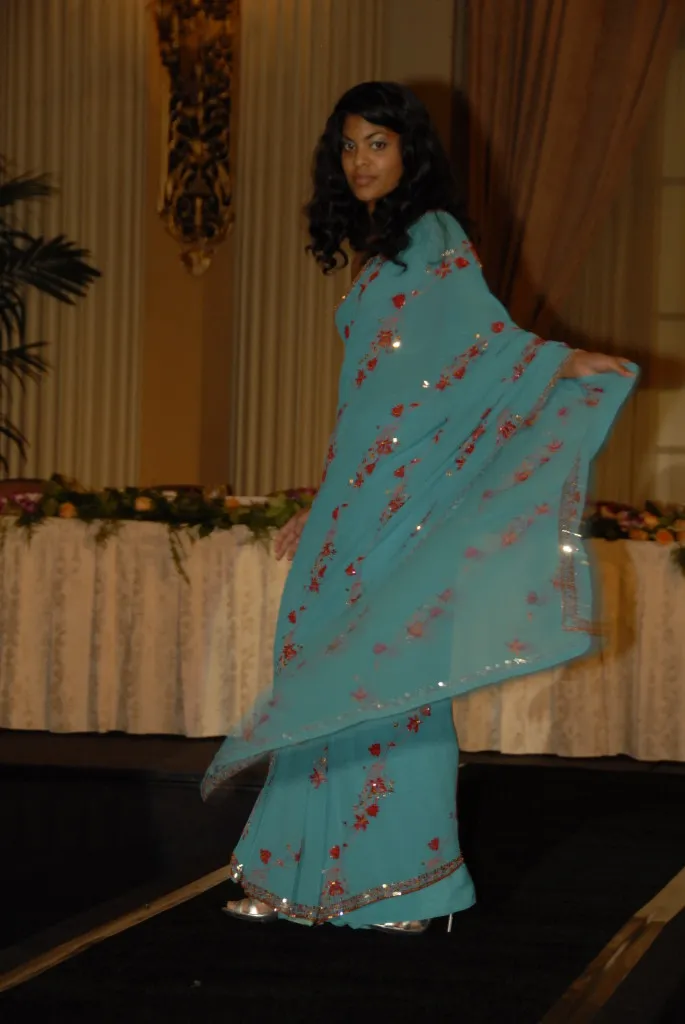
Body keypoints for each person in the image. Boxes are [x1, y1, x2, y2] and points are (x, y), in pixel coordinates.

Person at [203, 82, 637, 934]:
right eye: (349, 145)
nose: (360, 160)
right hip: (358, 497)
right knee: (319, 667)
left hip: (402, 497)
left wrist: (558, 362)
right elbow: (369, 402)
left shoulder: (434, 236)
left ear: (410, 152)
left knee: (393, 675)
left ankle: (408, 886)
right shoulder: (378, 253)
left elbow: (483, 341)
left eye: (377, 143)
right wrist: (324, 501)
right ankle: (297, 879)